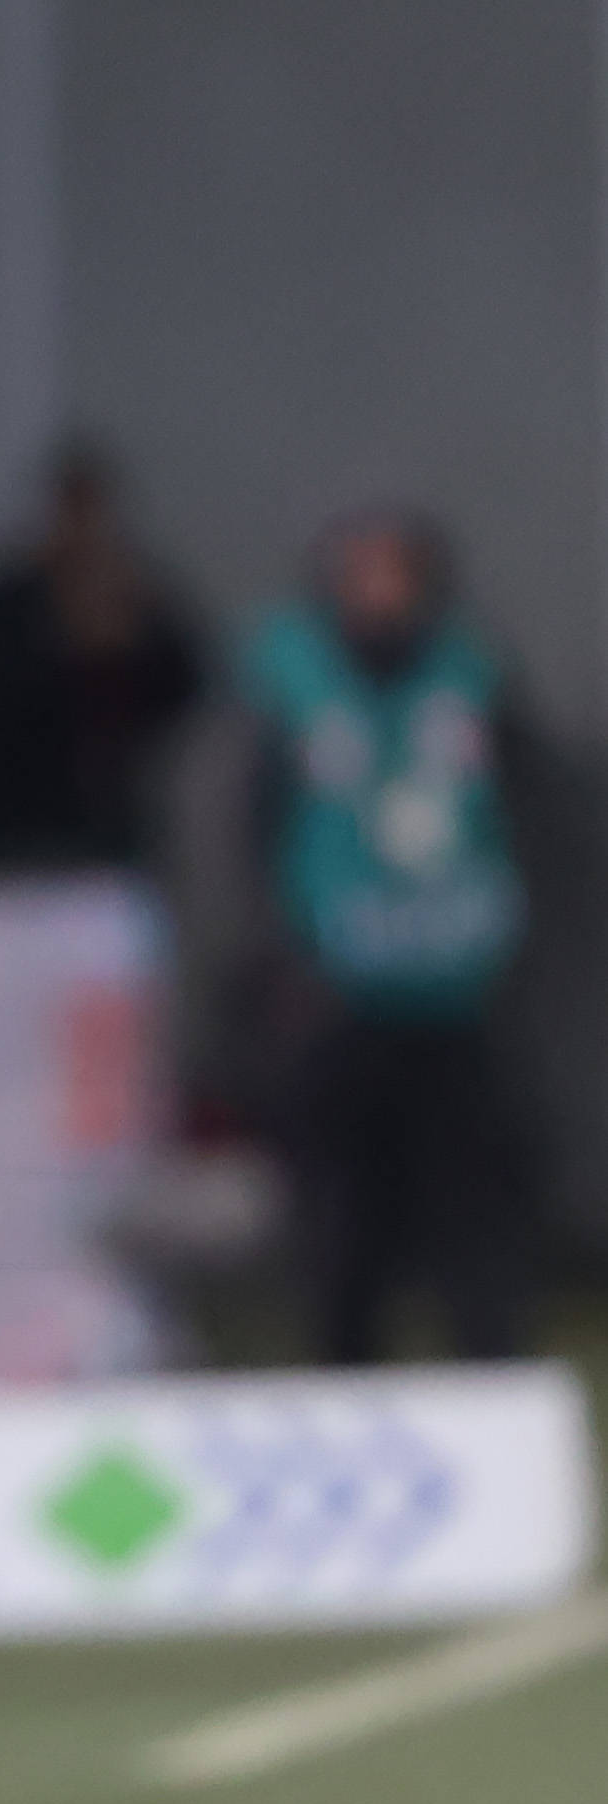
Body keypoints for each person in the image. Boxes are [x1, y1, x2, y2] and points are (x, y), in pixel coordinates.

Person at [242, 507, 532, 1363]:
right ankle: (345, 1377)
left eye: (394, 573)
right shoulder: (290, 686)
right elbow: (246, 828)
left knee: (470, 1205)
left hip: (455, 989)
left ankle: (490, 1382)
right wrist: (272, 954)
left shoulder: (470, 677)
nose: (378, 593)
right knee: (343, 1219)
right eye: (361, 573)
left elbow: (527, 811)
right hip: (337, 991)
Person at [0, 442, 201, 869]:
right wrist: (66, 642)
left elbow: (188, 690)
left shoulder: (133, 596)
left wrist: (139, 635)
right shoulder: (6, 602)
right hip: (16, 829)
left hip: (116, 826)